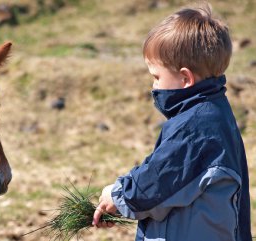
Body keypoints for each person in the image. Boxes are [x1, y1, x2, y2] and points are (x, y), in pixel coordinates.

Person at [92, 3, 252, 241]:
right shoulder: (215, 112)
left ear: (185, 77)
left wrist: (116, 196)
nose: (154, 86)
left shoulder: (195, 126)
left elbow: (159, 179)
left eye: (156, 77)